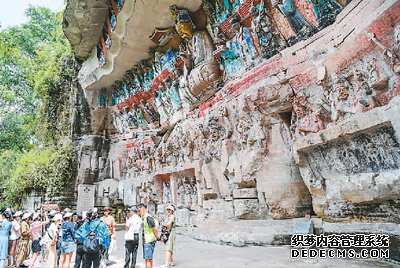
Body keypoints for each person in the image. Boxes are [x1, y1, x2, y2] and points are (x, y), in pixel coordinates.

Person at [137, 203, 158, 268]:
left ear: (143, 209)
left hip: (148, 241)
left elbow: (154, 229)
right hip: (148, 240)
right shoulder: (144, 217)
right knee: (148, 258)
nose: (138, 213)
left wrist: (158, 237)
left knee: (148, 259)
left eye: (139, 211)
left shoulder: (148, 217)